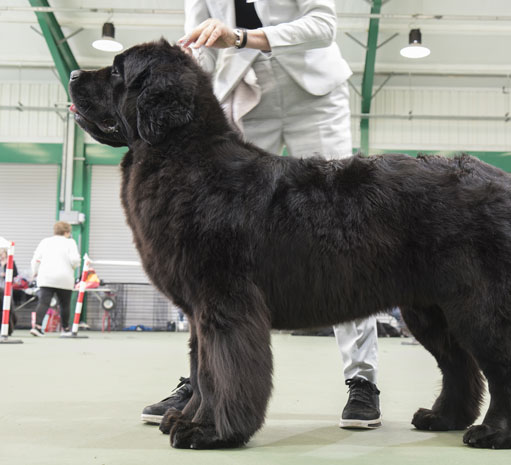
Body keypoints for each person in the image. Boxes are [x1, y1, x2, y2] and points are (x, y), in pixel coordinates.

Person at [141, 0, 381, 429]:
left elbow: (323, 25)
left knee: (344, 234)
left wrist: (240, 37)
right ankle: (204, 381)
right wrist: (187, 61)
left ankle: (362, 380)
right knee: (222, 248)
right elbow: (206, 50)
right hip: (246, 93)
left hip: (316, 94)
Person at [30, 221, 81, 336]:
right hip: (64, 278)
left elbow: (36, 259)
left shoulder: (45, 242)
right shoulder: (70, 243)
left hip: (46, 277)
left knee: (43, 302)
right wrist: (74, 267)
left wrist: (35, 272)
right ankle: (65, 329)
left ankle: (37, 327)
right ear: (67, 232)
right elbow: (75, 260)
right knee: (64, 304)